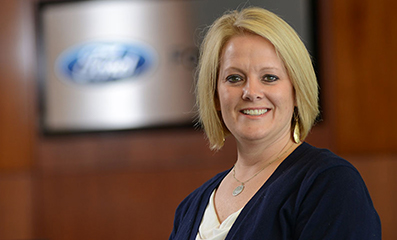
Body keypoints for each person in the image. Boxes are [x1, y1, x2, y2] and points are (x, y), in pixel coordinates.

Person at [169, 7, 381, 240]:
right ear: (216, 96)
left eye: (269, 77)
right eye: (235, 78)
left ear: (296, 91)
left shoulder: (330, 184)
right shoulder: (190, 207)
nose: (251, 92)